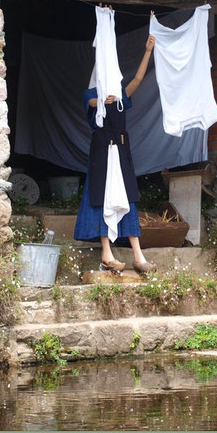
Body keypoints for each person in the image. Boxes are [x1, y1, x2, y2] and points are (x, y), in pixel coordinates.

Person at [74, 34, 157, 274]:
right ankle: (106, 254)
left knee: (127, 199)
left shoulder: (120, 96)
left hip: (121, 153)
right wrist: (102, 98)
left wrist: (148, 51)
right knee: (101, 198)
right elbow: (93, 103)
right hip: (102, 153)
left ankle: (139, 256)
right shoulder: (90, 94)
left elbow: (138, 79)